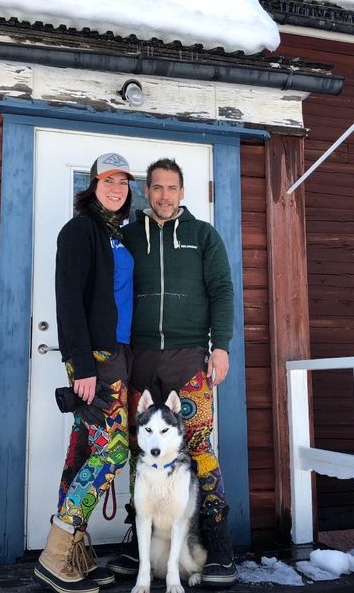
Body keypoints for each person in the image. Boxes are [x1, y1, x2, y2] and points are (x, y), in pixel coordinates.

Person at [107, 158, 238, 587]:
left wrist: (220, 346)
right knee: (139, 445)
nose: (164, 195)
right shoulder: (126, 238)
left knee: (197, 445)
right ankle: (138, 538)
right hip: (139, 357)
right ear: (148, 192)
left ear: (183, 192)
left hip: (188, 358)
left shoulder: (203, 236)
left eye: (172, 188)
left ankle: (216, 544)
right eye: (157, 187)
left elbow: (221, 290)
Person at [34, 153, 135, 593]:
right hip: (97, 359)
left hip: (121, 355)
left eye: (124, 182)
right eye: (108, 180)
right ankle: (56, 556)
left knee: (82, 455)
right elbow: (68, 300)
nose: (117, 188)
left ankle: (73, 554)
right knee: (112, 455)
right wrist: (81, 365)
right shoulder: (79, 231)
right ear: (92, 184)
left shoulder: (118, 234)